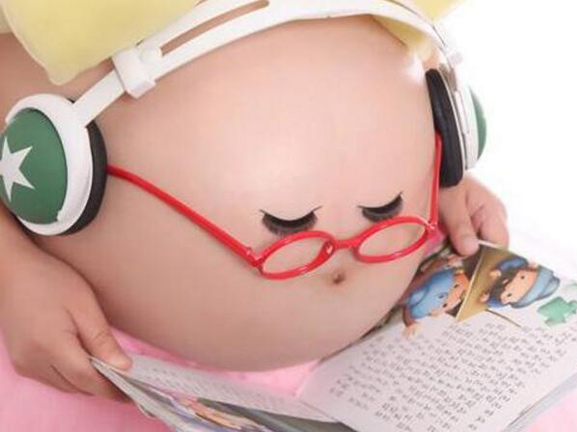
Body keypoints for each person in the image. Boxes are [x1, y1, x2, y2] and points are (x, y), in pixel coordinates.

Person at [0, 1, 508, 430]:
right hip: (98, 366)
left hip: (381, 367)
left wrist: (437, 167)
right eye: (289, 225)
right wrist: (11, 269)